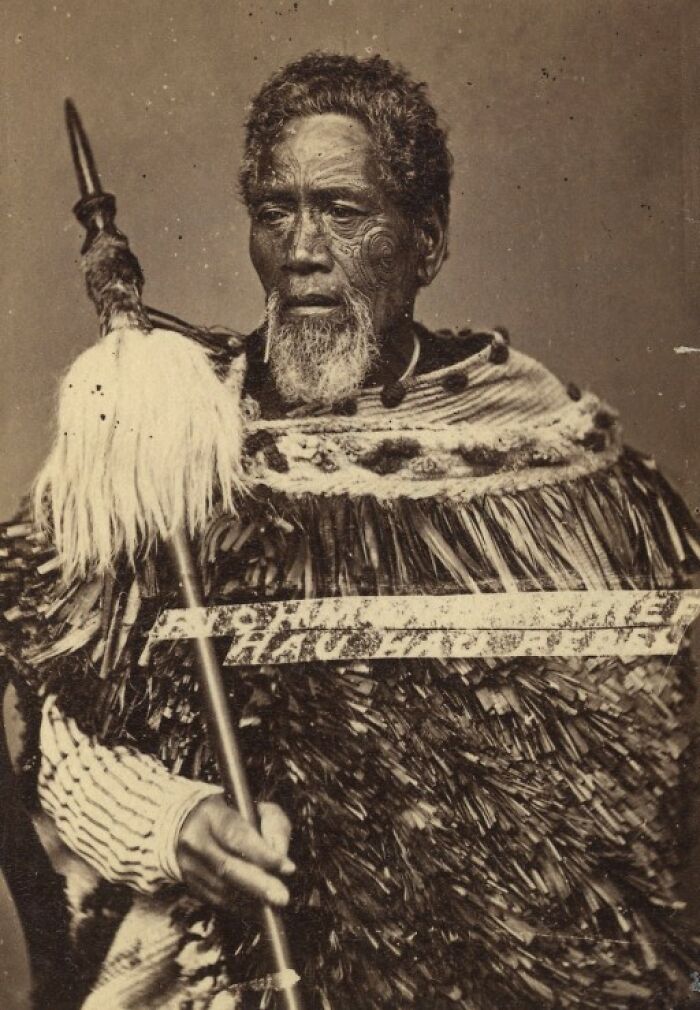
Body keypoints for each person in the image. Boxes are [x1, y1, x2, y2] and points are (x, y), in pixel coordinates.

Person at [2, 51, 699, 1010]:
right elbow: (50, 713)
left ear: (428, 240)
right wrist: (175, 822)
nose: (302, 249)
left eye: (342, 210)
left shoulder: (566, 471)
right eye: (275, 211)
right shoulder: (170, 444)